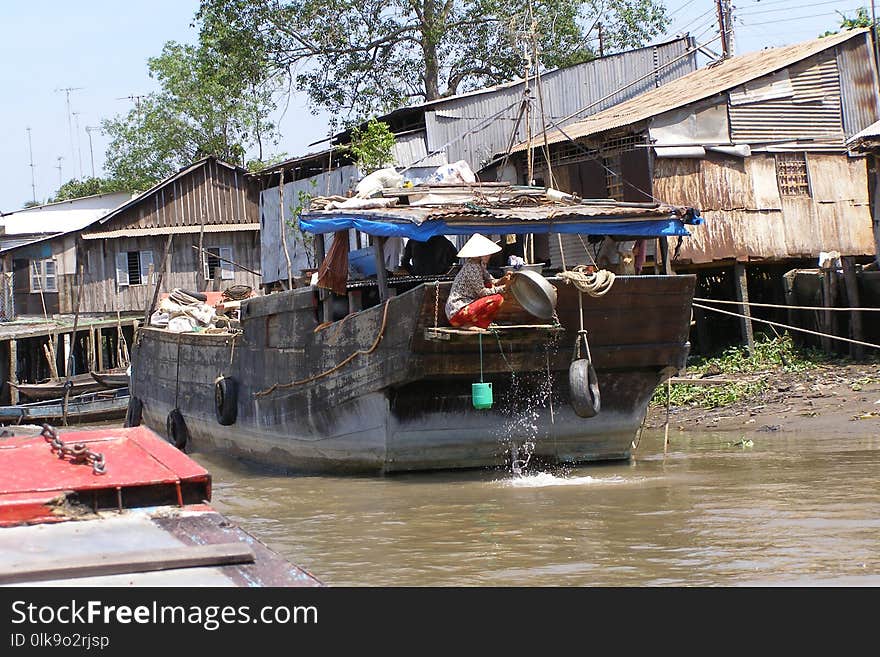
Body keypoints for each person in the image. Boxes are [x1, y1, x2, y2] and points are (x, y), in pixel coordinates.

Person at [444, 233, 512, 329]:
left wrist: (504, 279)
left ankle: (477, 323)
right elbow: (482, 292)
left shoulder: (480, 265)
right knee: (497, 299)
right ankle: (470, 324)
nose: (490, 255)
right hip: (457, 313)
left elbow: (492, 281)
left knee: (490, 285)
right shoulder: (472, 267)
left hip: (466, 307)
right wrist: (504, 288)